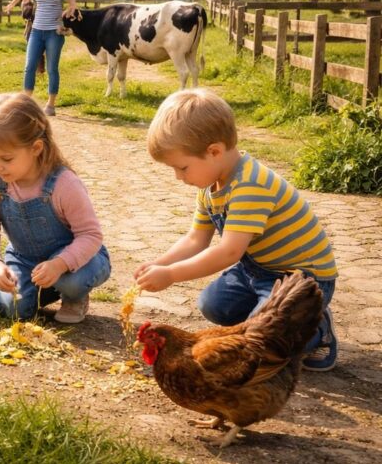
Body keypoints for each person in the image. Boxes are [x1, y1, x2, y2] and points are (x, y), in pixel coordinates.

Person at [137, 88, 339, 371]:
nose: (179, 177)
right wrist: (159, 264)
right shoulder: (211, 185)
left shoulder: (250, 185)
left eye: (182, 168)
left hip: (301, 280)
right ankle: (265, 317)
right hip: (258, 270)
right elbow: (196, 239)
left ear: (214, 151)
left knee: (263, 342)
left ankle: (316, 327)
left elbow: (230, 251)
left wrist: (171, 275)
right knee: (213, 305)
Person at [0, 93, 111, 322]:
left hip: (74, 259)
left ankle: (74, 295)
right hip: (24, 259)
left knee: (72, 282)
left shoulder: (64, 184)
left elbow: (90, 235)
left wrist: (59, 264)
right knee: (9, 308)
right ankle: (38, 290)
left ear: (35, 148)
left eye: (6, 159)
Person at [18, 0, 77, 117]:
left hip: (54, 33)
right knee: (29, 67)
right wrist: (27, 5)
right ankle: (26, 102)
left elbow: (72, 3)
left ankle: (50, 105)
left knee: (52, 68)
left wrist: (68, 10)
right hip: (36, 31)